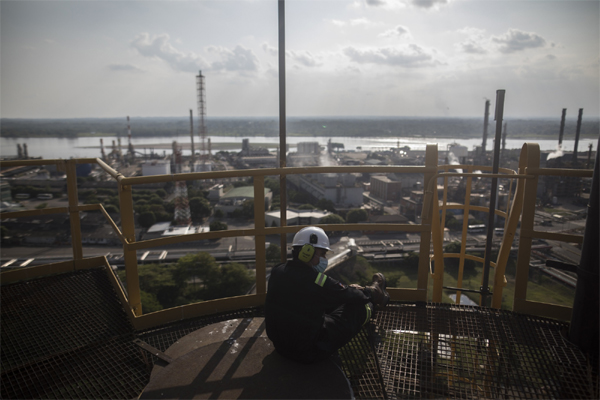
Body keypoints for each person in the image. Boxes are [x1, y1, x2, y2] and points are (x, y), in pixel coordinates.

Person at [265, 226, 389, 364]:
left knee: (332, 302)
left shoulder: (278, 271)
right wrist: (366, 292)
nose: (324, 259)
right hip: (308, 352)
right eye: (323, 254)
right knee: (361, 305)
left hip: (281, 347)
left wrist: (346, 291)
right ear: (307, 251)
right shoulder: (316, 280)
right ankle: (376, 295)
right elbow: (352, 295)